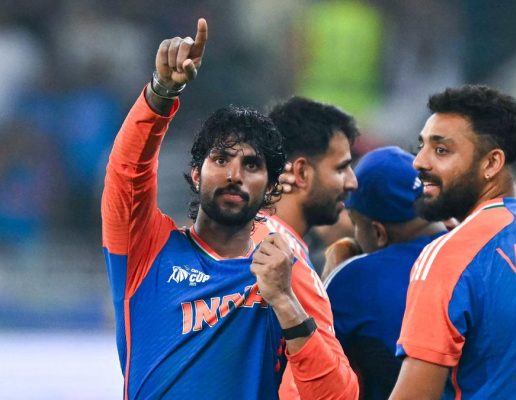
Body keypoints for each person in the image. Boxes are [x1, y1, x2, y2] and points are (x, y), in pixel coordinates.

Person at [102, 18, 350, 399]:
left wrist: (285, 301)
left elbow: (337, 395)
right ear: (196, 174)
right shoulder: (148, 250)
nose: (234, 175)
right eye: (221, 159)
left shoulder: (282, 269)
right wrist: (161, 93)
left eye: (251, 165)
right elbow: (127, 173)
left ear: (271, 187)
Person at [390, 85, 516, 399]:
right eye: (421, 146)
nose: (419, 162)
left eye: (441, 150)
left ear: (491, 163)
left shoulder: (450, 256)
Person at [250, 96, 361, 399]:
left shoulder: (241, 235)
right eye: (342, 168)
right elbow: (335, 394)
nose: (352, 182)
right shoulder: (285, 258)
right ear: (300, 173)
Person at [321, 146, 447, 399]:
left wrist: (330, 277)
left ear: (378, 233)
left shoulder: (353, 278)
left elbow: (312, 364)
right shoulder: (477, 251)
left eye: (356, 225)